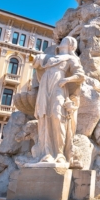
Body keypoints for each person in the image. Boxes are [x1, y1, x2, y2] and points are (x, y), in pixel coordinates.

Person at [28, 36, 85, 166]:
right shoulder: (49, 58)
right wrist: (32, 56)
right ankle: (46, 152)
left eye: (66, 40)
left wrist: (67, 80)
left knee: (57, 117)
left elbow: (80, 75)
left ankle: (60, 153)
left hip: (59, 87)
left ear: (71, 45)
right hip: (45, 87)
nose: (62, 41)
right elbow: (34, 60)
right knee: (44, 118)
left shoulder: (71, 59)